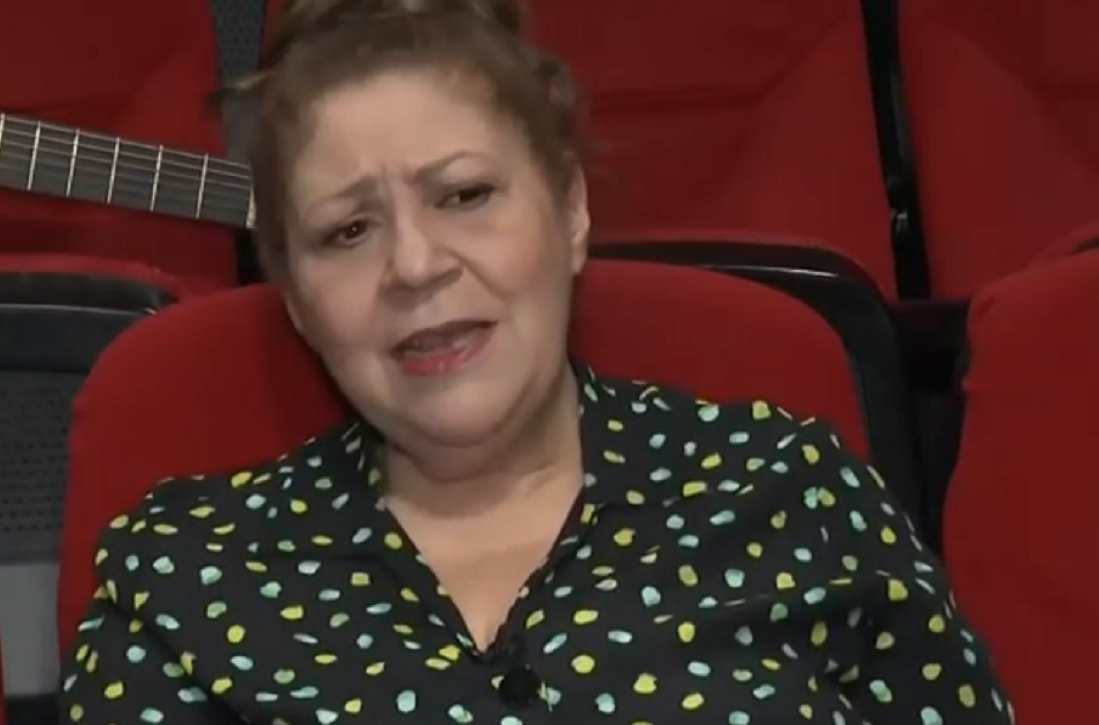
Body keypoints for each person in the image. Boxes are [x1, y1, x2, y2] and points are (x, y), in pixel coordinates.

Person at [59, 0, 1015, 722]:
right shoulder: (182, 572)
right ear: (297, 296)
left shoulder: (789, 489)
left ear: (569, 209)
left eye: (465, 195)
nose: (416, 265)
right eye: (347, 230)